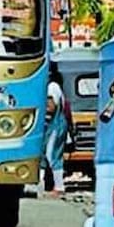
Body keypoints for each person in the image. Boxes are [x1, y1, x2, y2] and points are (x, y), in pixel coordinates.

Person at [41, 68, 70, 197]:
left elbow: (51, 106)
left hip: (55, 126)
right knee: (45, 155)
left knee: (52, 155)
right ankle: (41, 184)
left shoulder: (52, 87)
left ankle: (59, 186)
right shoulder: (57, 88)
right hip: (57, 125)